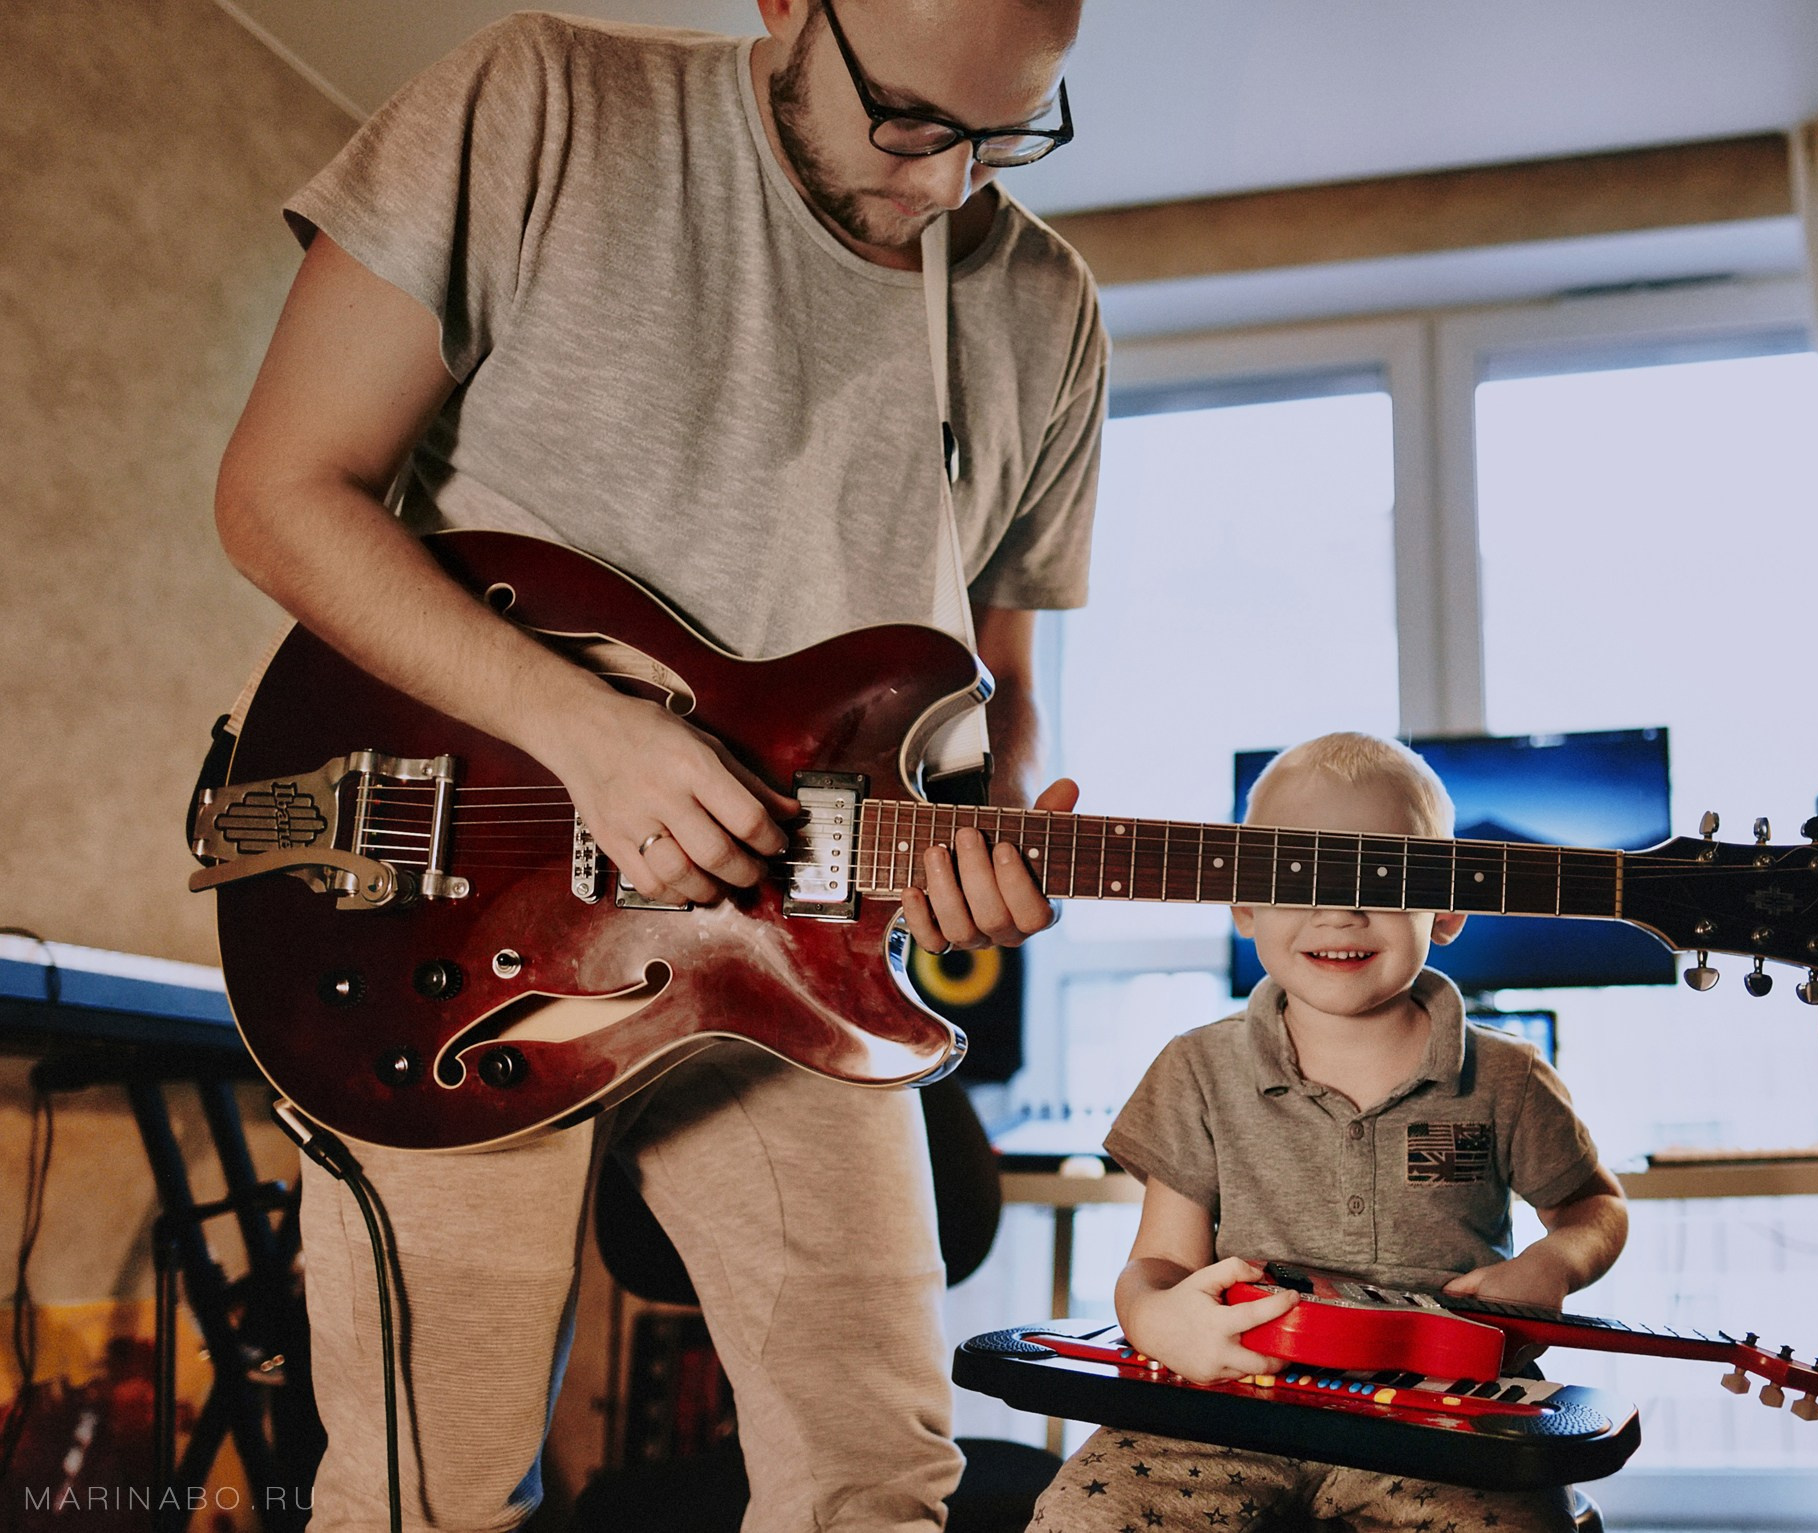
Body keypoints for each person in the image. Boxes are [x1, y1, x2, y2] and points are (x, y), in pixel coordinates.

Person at [211, 2, 1103, 1529]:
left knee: (878, 1485)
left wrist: (985, 830)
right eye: (907, 120)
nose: (948, 185)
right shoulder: (542, 101)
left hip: (807, 954)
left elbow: (996, 686)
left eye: (1006, 131)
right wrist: (587, 732)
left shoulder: (1047, 305)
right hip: (453, 914)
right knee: (421, 1499)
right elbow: (281, 493)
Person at [1031, 734, 1631, 1533]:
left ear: (1447, 906)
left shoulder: (1507, 1077)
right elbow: (1159, 1262)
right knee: (1084, 1516)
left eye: (1385, 879)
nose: (1338, 911)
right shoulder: (1196, 1068)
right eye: (1293, 878)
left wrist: (1553, 1263)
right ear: (1243, 905)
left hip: (1442, 1422)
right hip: (1226, 1407)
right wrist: (1160, 1319)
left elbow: (1596, 1205)